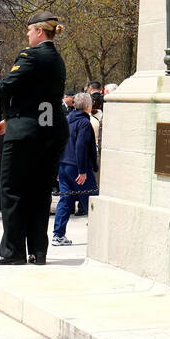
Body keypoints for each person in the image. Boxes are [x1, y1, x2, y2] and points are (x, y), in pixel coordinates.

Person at [0, 12, 69, 266]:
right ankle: (38, 251)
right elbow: (35, 98)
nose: (27, 35)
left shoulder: (30, 56)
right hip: (51, 131)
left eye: (29, 31)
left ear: (39, 32)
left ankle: (12, 252)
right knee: (40, 192)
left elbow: (4, 89)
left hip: (26, 135)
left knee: (12, 191)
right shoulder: (58, 60)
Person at [52, 93, 98, 246]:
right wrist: (83, 170)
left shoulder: (66, 120)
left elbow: (58, 144)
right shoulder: (84, 123)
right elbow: (81, 147)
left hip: (64, 165)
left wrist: (58, 166)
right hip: (77, 167)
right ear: (87, 106)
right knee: (91, 199)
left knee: (65, 200)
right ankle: (99, 234)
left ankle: (58, 235)